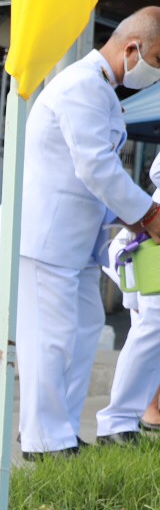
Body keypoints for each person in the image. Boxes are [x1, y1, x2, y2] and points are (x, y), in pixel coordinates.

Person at [0, 8, 160, 457]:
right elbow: (96, 166)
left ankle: (60, 432)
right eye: (157, 60)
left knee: (83, 331)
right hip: (45, 239)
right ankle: (46, 441)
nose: (156, 72)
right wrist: (148, 215)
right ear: (132, 48)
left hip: (75, 243)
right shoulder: (82, 85)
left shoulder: (99, 90)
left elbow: (94, 171)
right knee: (50, 337)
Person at [97, 152, 160, 445]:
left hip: (146, 244)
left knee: (152, 329)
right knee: (152, 326)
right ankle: (121, 422)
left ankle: (127, 420)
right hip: (149, 245)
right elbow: (158, 171)